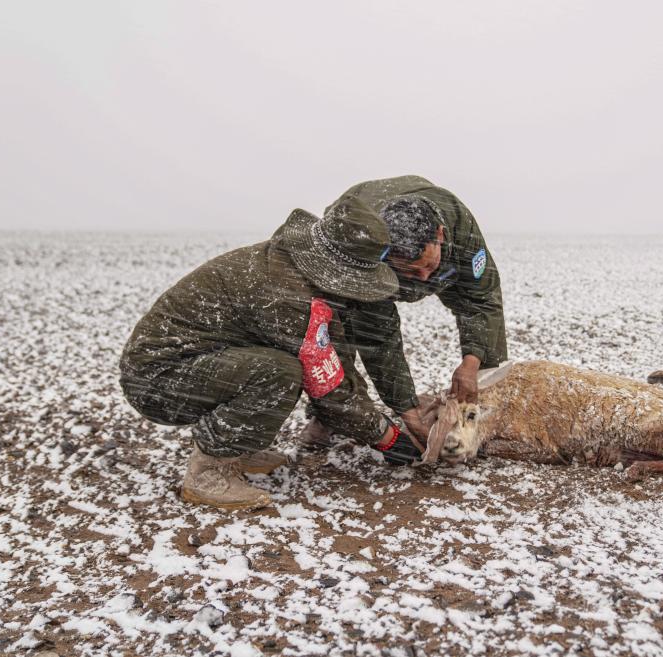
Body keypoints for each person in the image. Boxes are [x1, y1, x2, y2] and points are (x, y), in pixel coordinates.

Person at [118, 195, 427, 511]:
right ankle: (209, 472)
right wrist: (387, 437)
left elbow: (335, 361)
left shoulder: (295, 271)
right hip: (157, 380)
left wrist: (375, 424)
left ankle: (236, 449)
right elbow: (327, 386)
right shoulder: (287, 297)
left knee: (279, 365)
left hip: (187, 363)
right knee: (279, 373)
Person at [305, 175, 507, 447]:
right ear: (387, 256)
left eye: (428, 265)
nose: (424, 278)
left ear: (439, 234)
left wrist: (472, 363)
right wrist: (409, 414)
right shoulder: (364, 253)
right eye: (412, 272)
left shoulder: (460, 228)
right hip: (356, 234)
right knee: (337, 329)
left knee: (485, 341)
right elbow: (378, 338)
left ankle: (484, 411)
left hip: (440, 245)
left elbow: (482, 299)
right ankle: (331, 413)